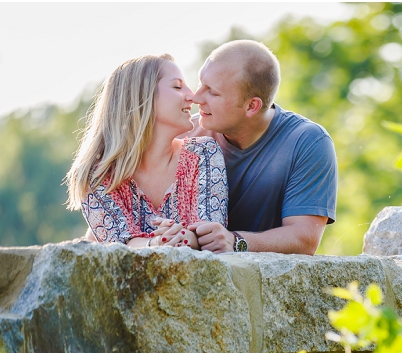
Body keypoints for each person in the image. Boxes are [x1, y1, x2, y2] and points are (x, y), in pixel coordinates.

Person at [186, 40, 338, 254]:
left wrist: (235, 241)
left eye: (212, 92)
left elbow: (305, 238)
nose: (195, 97)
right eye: (201, 84)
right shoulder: (183, 134)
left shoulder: (307, 142)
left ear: (251, 106)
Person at [66, 54, 228, 249]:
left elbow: (209, 234)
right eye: (177, 86)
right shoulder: (97, 175)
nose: (192, 96)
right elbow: (117, 246)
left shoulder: (204, 154)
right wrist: (158, 243)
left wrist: (183, 237)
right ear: (143, 97)